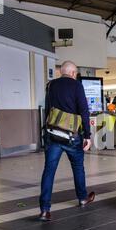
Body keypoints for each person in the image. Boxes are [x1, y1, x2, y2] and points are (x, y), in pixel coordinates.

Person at [39, 61, 95, 221]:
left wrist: (46, 133)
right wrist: (87, 136)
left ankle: (44, 210)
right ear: (72, 73)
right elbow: (84, 110)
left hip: (53, 135)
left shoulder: (51, 85)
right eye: (75, 73)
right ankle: (82, 197)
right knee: (78, 167)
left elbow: (49, 110)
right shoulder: (76, 86)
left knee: (49, 171)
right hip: (72, 135)